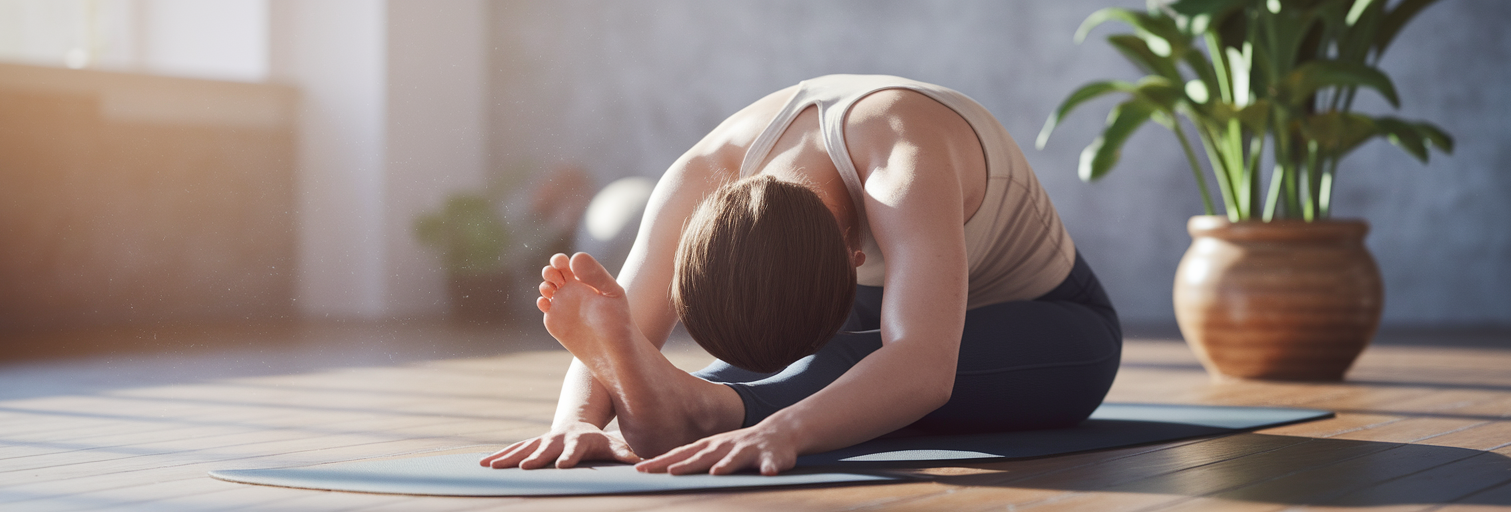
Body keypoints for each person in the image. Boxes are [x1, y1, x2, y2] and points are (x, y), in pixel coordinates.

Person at [480, 74, 1121, 476]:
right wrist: (578, 422)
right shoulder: (701, 177)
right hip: (869, 323)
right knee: (815, 359)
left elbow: (925, 365)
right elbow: (617, 313)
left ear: (855, 253)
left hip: (1058, 328)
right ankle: (700, 400)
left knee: (853, 356)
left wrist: (782, 429)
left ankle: (710, 406)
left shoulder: (903, 164)